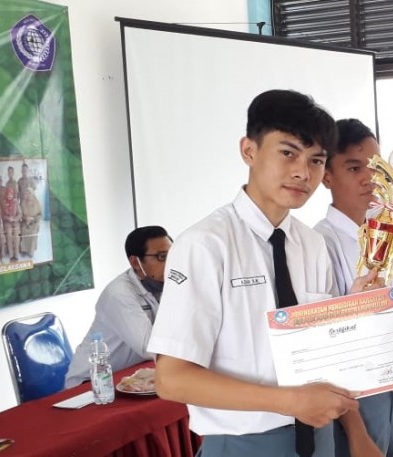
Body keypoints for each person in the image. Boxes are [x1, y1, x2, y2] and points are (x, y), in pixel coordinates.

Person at [147, 90, 378, 457]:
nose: (303, 172)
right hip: (244, 444)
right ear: (249, 151)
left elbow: (322, 355)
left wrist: (355, 313)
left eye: (316, 160)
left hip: (320, 438)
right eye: (288, 153)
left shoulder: (311, 244)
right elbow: (172, 379)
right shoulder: (205, 245)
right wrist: (290, 402)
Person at [314, 119, 393, 457]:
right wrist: (357, 434)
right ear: (326, 176)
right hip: (351, 401)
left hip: (388, 389)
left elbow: (391, 330)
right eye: (354, 167)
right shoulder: (320, 244)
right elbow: (330, 347)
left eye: (375, 167)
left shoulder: (382, 235)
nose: (369, 178)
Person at [65, 226, 172, 388]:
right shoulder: (119, 294)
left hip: (132, 375)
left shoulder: (167, 285)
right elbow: (149, 347)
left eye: (173, 254)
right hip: (93, 383)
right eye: (162, 257)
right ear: (135, 262)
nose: (171, 262)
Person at [19, 189, 42, 257]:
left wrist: (33, 219)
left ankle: (31, 251)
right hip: (25, 222)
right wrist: (26, 218)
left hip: (34, 222)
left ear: (32, 194)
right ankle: (24, 250)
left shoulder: (37, 203)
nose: (28, 195)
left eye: (29, 194)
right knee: (23, 230)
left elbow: (40, 215)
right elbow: (20, 214)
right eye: (27, 194)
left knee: (32, 232)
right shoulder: (23, 203)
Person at [2, 187, 21, 262]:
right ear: (6, 195)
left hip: (16, 223)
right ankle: (11, 255)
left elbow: (20, 214)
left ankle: (16, 255)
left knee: (16, 238)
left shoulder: (16, 202)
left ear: (13, 195)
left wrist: (15, 219)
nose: (9, 196)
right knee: (9, 237)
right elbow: (2, 215)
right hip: (7, 223)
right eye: (8, 194)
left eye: (11, 194)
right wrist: (8, 218)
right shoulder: (4, 202)